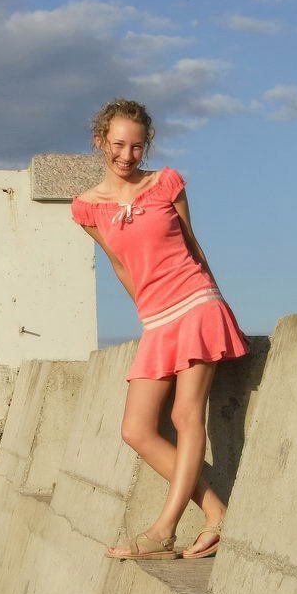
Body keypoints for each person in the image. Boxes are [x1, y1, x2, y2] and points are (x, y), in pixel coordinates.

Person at [70, 98, 250, 560]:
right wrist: (146, 313)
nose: (127, 156)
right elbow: (119, 263)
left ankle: (163, 530)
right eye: (117, 145)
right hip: (156, 316)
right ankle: (218, 515)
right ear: (100, 141)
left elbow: (194, 245)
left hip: (195, 301)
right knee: (136, 429)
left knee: (184, 417)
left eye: (136, 146)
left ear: (146, 145)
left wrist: (215, 304)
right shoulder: (88, 209)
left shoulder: (166, 183)